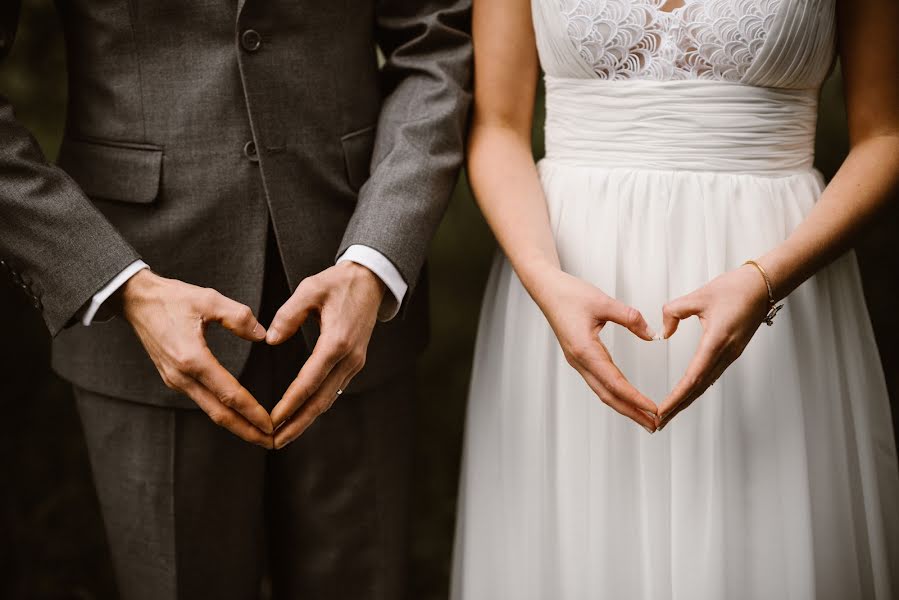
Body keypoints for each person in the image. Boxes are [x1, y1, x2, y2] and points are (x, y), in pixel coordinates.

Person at [0, 1, 471, 598]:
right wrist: (121, 283)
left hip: (355, 299)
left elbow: (434, 44)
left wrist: (376, 257)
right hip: (143, 305)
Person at [453, 0, 899, 597]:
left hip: (776, 281)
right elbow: (498, 125)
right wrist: (545, 278)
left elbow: (886, 134)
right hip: (568, 282)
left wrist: (766, 277)